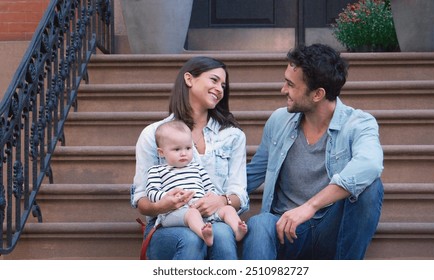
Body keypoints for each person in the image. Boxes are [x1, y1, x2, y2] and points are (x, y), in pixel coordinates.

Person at [242, 43, 384, 260]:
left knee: (370, 187)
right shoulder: (279, 120)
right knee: (260, 223)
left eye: (290, 85)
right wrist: (215, 194)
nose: (283, 90)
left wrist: (310, 207)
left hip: (331, 229)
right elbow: (254, 173)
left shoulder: (358, 123)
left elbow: (370, 164)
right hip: (285, 230)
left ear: (318, 94)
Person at [131, 56, 249, 260]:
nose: (220, 89)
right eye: (213, 80)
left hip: (216, 220)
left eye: (223, 85)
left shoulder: (232, 136)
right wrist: (162, 205)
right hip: (168, 223)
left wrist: (221, 201)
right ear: (189, 79)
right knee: (191, 239)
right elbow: (141, 200)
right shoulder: (154, 134)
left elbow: (240, 194)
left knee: (221, 234)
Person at [145, 120, 247, 247]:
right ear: (161, 152)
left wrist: (211, 197)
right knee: (192, 214)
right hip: (174, 213)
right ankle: (203, 233)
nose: (183, 153)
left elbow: (209, 187)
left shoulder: (197, 168)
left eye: (188, 148)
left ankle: (237, 230)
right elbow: (151, 192)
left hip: (202, 211)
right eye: (176, 149)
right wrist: (167, 197)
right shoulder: (157, 170)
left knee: (228, 209)